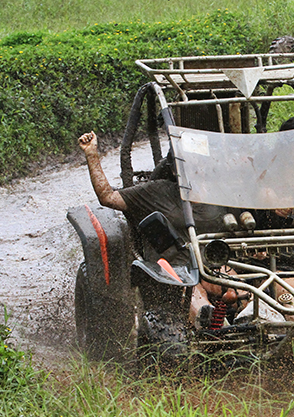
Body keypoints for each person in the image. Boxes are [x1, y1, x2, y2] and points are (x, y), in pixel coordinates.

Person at [78, 131, 233, 330]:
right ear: (178, 166)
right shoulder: (158, 192)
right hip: (178, 269)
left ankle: (261, 322)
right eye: (190, 163)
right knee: (195, 293)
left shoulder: (222, 193)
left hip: (217, 262)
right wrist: (92, 155)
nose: (197, 169)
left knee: (235, 290)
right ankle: (212, 326)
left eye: (201, 163)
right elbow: (108, 197)